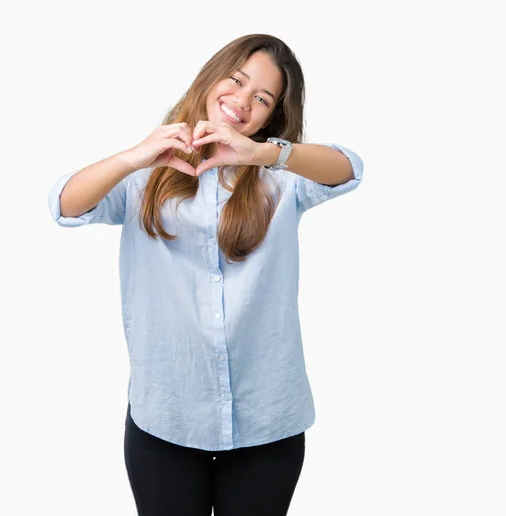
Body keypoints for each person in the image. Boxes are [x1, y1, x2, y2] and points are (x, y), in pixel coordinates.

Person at [48, 33, 364, 516]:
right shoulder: (144, 177)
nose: (241, 101)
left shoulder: (281, 177)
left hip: (267, 423)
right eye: (235, 81)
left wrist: (264, 154)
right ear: (210, 77)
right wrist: (134, 155)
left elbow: (348, 168)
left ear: (272, 116)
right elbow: (65, 206)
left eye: (262, 98)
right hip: (167, 420)